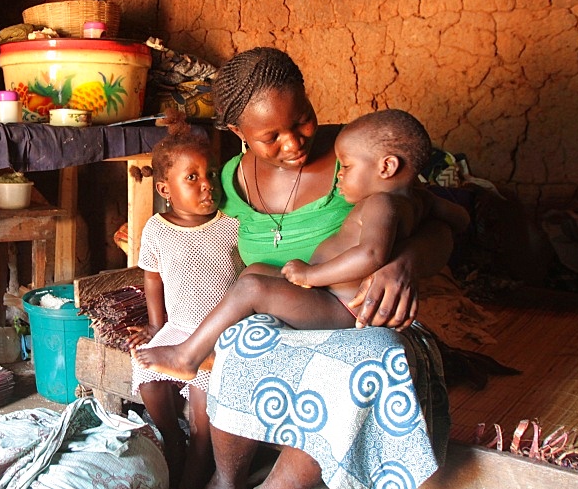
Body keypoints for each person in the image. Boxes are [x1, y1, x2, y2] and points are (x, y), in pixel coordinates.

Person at [166, 47, 458, 489]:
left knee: (364, 362)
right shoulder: (230, 180)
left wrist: (403, 263)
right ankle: (226, 483)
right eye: (270, 136)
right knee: (238, 339)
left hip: (360, 317)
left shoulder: (357, 154)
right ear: (238, 133)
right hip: (287, 317)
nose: (294, 143)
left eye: (302, 119)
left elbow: (443, 221)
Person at [133, 108, 469, 382]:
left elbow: (370, 255)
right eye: (270, 135)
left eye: (347, 168)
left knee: (251, 287)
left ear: (386, 166)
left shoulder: (381, 204)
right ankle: (210, 347)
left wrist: (311, 274)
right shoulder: (414, 200)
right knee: (257, 271)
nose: (340, 175)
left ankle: (187, 355)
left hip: (342, 307)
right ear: (240, 133)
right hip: (328, 294)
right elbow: (460, 216)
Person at [124, 111, 243, 489]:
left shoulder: (231, 225)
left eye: (210, 175)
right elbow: (152, 279)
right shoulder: (157, 228)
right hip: (178, 326)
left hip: (220, 332)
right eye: (192, 178)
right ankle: (171, 439)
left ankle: (200, 455)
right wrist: (157, 330)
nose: (207, 186)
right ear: (164, 188)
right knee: (145, 370)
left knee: (207, 386)